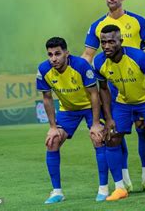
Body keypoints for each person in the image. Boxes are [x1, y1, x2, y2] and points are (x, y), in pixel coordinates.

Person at [82, 0, 145, 192]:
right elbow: (87, 55)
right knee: (115, 132)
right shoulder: (97, 26)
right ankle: (124, 180)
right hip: (112, 88)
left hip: (138, 85)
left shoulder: (138, 21)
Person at [36, 37, 104, 204]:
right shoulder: (44, 70)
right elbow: (47, 98)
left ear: (67, 53)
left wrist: (95, 124)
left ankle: (104, 188)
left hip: (90, 107)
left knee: (99, 138)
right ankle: (57, 192)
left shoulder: (80, 65)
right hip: (68, 111)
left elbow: (95, 94)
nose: (54, 58)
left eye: (58, 54)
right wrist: (52, 127)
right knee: (52, 141)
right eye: (50, 54)